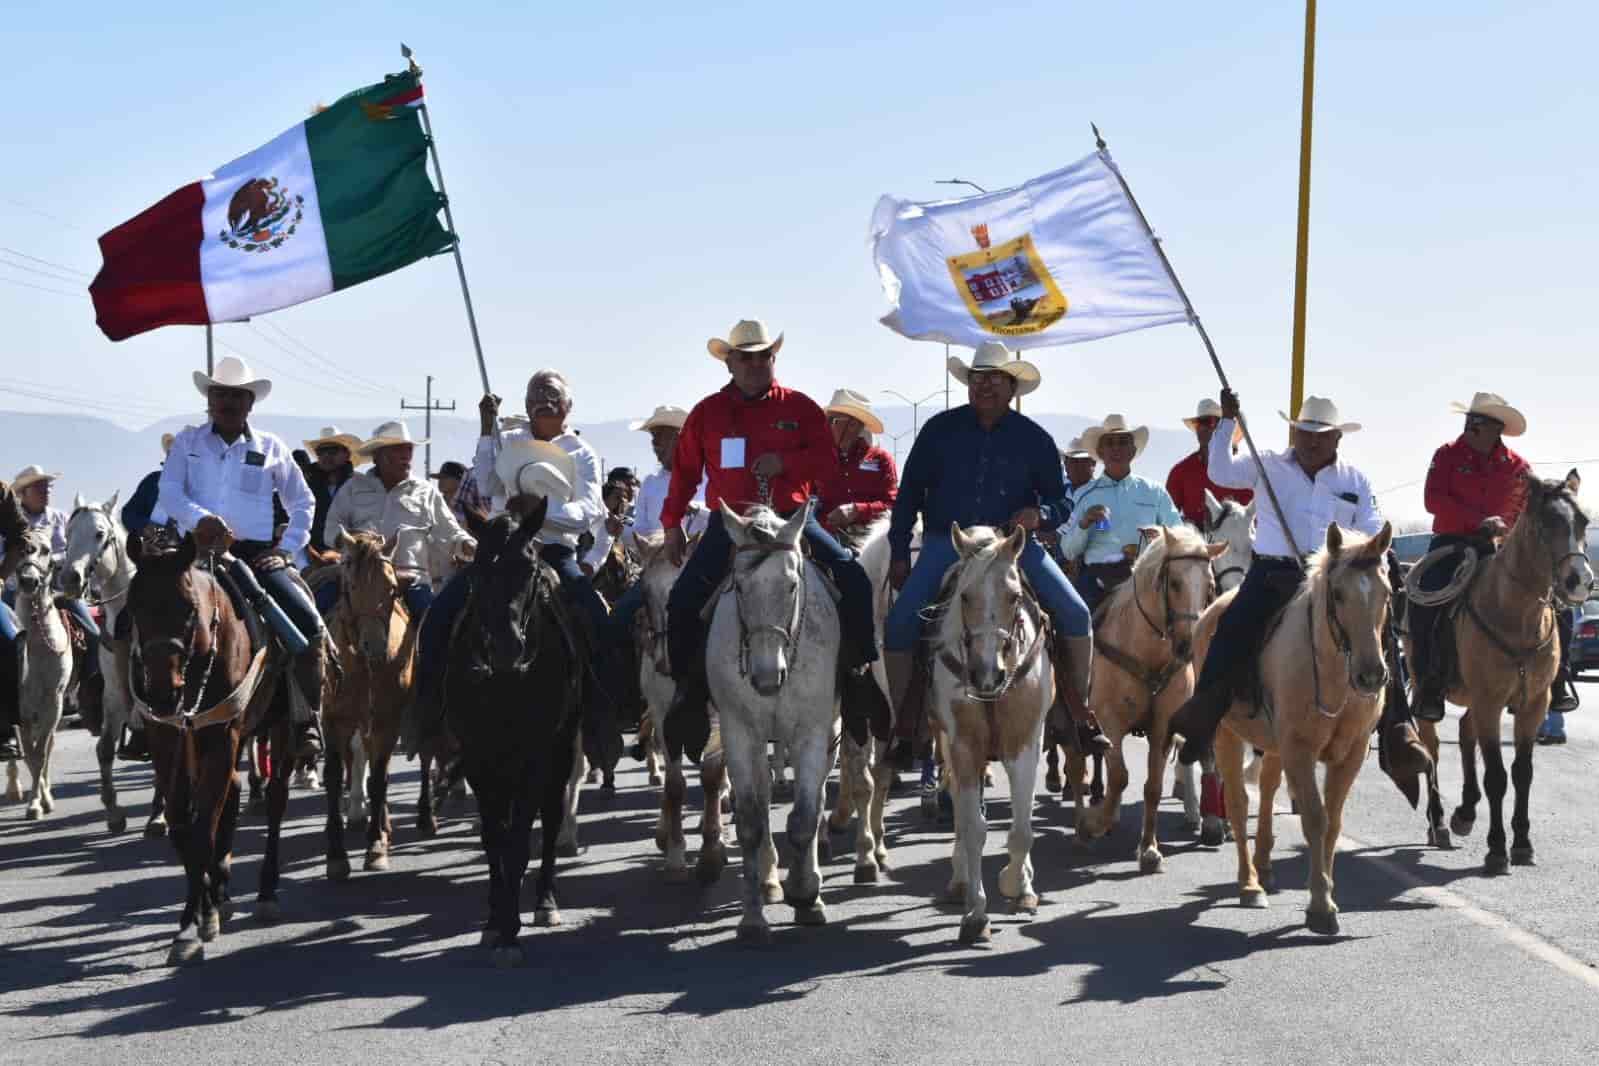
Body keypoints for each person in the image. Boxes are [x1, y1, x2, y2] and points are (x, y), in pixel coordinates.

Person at [658, 319, 890, 761]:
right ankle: (689, 695)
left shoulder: (800, 409)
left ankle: (858, 678)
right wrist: (671, 524)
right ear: (729, 362)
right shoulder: (707, 413)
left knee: (853, 580)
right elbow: (685, 473)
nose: (753, 364)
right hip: (731, 525)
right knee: (683, 599)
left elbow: (825, 464)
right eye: (743, 357)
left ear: (773, 359)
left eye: (761, 356)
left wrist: (785, 463)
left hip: (789, 522)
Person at [1167, 391, 1428, 780]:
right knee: (1234, 624)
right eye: (1305, 432)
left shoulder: (1354, 480)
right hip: (1274, 574)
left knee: (1381, 630)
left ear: (1337, 438)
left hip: (1333, 576)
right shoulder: (1268, 465)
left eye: (1321, 434)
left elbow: (1372, 523)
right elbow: (1220, 472)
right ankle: (1206, 711)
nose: (1312, 440)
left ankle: (1398, 726)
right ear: (1294, 434)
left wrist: (1377, 551)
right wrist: (1227, 422)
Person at [884, 341, 1106, 752]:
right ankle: (907, 725)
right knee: (899, 624)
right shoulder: (939, 430)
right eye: (977, 378)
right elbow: (909, 493)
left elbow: (1063, 501)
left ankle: (1075, 716)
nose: (984, 386)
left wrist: (1039, 517)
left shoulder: (1035, 438)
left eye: (994, 379)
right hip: (949, 545)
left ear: (1011, 388)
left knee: (1075, 614)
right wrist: (899, 550)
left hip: (1011, 547)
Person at [412, 369, 618, 758]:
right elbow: (488, 485)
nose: (545, 401)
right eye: (536, 396)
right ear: (525, 405)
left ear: (568, 406)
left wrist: (541, 509)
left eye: (553, 396)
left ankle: (600, 714)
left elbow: (589, 509)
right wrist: (487, 428)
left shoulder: (581, 452)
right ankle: (431, 713)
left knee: (595, 615)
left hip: (554, 547)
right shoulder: (507, 440)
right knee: (440, 614)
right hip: (504, 547)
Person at [156, 356, 324, 760]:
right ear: (209, 400)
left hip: (252, 557)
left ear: (250, 403)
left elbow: (302, 501)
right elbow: (170, 491)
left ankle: (306, 719)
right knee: (141, 621)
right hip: (191, 554)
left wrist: (285, 551)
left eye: (236, 395)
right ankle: (143, 716)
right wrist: (203, 520)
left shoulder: (271, 447)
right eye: (220, 394)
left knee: (308, 624)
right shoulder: (188, 442)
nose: (228, 402)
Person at [1408, 393, 1574, 720]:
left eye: (1478, 422)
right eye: (1469, 421)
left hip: (1502, 550)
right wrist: (1476, 522)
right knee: (1423, 602)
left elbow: (1527, 513)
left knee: (1557, 604)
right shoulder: (1446, 456)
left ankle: (1558, 679)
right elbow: (1434, 500)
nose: (1469, 426)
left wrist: (1503, 526)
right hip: (1450, 546)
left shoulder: (1520, 468)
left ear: (1496, 429)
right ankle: (1430, 683)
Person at [316, 420, 474, 617]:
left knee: (432, 627)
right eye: (397, 450)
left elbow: (450, 532)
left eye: (408, 449)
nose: (405, 456)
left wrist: (468, 545)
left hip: (410, 579)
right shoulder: (353, 488)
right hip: (358, 576)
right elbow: (331, 529)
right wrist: (352, 543)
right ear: (377, 456)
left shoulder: (425, 492)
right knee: (316, 613)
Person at [1058, 415, 1184, 612]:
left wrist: (1160, 536)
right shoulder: (1084, 496)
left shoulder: (1154, 492)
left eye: (1123, 442)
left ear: (1133, 451)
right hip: (1097, 581)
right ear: (1100, 452)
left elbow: (1179, 535)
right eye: (1109, 443)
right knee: (1074, 622)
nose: (1116, 448)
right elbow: (1068, 550)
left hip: (1146, 578)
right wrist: (1084, 523)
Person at [4, 466, 103, 717]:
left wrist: (51, 561)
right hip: (15, 589)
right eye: (39, 487)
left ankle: (87, 691)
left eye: (48, 486)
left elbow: (72, 552)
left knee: (93, 633)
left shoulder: (60, 518)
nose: (46, 491)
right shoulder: (10, 518)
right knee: (9, 638)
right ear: (24, 493)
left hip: (58, 590)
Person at [815, 389, 898, 537]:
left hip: (870, 542)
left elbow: (893, 505)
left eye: (831, 420)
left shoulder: (881, 460)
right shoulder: (817, 458)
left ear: (853, 425)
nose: (825, 426)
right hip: (824, 541)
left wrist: (856, 511)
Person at [1166, 398, 1254, 527]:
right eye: (1201, 422)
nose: (1203, 428)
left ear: (1227, 429)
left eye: (1212, 422)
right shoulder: (1180, 472)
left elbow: (1255, 523)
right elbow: (1167, 519)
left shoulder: (1247, 471)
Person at [300, 426, 361, 568]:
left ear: (347, 454)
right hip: (308, 555)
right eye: (321, 451)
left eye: (333, 450)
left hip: (353, 557)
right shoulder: (303, 484)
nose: (326, 456)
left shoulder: (361, 485)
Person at [0, 479, 28, 760]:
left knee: (9, 640)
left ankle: (5, 727)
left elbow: (20, 536)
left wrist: (0, 575)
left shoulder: (1, 491)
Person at [121, 432, 176, 535]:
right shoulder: (152, 481)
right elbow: (128, 514)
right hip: (153, 546)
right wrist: (145, 525)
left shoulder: (196, 485)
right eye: (170, 453)